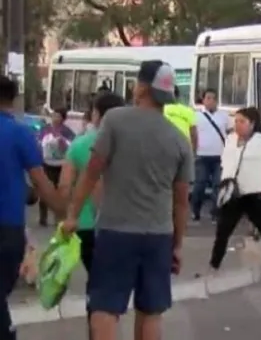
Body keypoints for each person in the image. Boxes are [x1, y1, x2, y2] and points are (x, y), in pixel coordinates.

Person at [62, 60, 194, 340]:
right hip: (159, 236)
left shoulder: (116, 120)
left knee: (105, 309)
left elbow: (92, 172)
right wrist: (178, 245)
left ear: (142, 88)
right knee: (150, 312)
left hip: (115, 232)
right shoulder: (180, 139)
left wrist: (72, 214)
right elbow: (182, 202)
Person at [57, 92, 125, 338]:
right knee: (108, 282)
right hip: (119, 226)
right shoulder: (126, 144)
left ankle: (95, 328)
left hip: (82, 227)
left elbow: (64, 186)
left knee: (95, 280)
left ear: (96, 114)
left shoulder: (79, 144)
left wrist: (67, 214)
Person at [0, 75, 63, 340]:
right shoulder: (20, 133)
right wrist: (65, 215)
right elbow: (42, 182)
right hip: (8, 230)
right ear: (13, 100)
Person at [210, 107, 261, 281]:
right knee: (222, 232)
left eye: (242, 121)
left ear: (252, 124)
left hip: (255, 195)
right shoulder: (230, 139)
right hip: (232, 194)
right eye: (236, 121)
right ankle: (213, 268)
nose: (237, 125)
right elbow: (225, 162)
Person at [192, 88, 228, 222]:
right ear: (203, 100)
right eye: (208, 98)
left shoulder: (224, 116)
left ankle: (215, 213)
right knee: (200, 185)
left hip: (220, 156)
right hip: (202, 156)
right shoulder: (196, 116)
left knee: (218, 185)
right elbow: (193, 135)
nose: (211, 101)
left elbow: (229, 134)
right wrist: (193, 151)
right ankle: (196, 210)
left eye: (213, 98)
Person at [37, 107, 75, 226]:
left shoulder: (67, 131)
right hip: (47, 164)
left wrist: (63, 142)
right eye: (54, 115)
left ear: (63, 118)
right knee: (45, 190)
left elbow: (72, 147)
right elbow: (38, 142)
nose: (55, 118)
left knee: (61, 192)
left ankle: (59, 218)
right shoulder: (45, 129)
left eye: (58, 116)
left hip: (61, 165)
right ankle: (43, 217)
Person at [164, 86, 199, 152]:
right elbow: (194, 135)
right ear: (178, 96)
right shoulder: (188, 111)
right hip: (184, 149)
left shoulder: (159, 111)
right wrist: (194, 152)